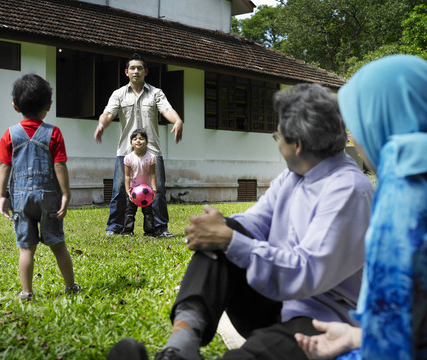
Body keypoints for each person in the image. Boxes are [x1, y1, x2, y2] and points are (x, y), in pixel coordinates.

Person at [106, 83, 374, 360]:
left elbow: (305, 273)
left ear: (298, 145)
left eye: (277, 136)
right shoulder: (295, 176)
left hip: (322, 319)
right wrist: (219, 227)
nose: (278, 143)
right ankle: (180, 344)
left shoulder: (348, 191)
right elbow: (253, 222)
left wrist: (231, 240)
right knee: (226, 232)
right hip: (276, 302)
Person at [294, 55, 427, 359]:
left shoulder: (406, 180)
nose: (355, 140)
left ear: (378, 117)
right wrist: (359, 336)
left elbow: (391, 347)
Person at [0, 74, 80, 301]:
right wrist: (66, 194)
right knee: (58, 244)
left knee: (25, 248)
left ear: (15, 106)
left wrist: (2, 196)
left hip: (20, 199)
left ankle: (27, 292)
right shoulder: (54, 133)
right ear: (48, 106)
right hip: (49, 197)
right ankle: (70, 286)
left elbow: (5, 167)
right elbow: (59, 164)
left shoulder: (9, 134)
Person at [94, 53, 183, 237]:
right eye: (132, 68)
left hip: (152, 152)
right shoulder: (118, 94)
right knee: (119, 190)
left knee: (157, 190)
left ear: (146, 72)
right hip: (125, 152)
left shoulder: (156, 93)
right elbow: (108, 113)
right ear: (127, 72)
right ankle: (115, 227)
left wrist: (177, 121)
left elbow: (167, 109)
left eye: (140, 68)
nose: (136, 71)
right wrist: (102, 124)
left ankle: (160, 228)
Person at [121, 128, 157, 237]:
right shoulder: (128, 158)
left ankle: (149, 232)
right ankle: (127, 231)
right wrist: (128, 190)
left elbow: (152, 174)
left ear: (146, 142)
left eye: (141, 139)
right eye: (135, 139)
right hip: (133, 190)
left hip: (147, 192)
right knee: (130, 212)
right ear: (131, 143)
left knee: (148, 213)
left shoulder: (151, 157)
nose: (138, 141)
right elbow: (127, 176)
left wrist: (154, 189)